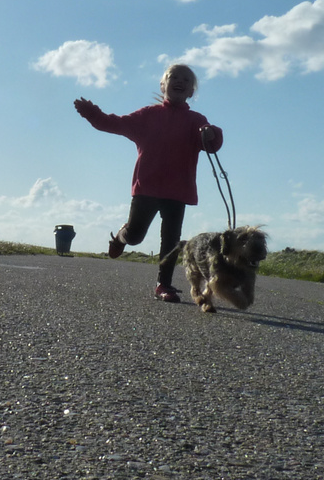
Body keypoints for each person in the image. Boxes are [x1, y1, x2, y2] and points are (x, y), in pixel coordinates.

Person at [73, 63, 223, 303]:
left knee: (172, 241)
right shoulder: (148, 116)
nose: (180, 81)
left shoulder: (197, 120)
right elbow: (115, 123)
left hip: (178, 191)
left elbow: (211, 145)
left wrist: (211, 131)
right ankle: (121, 237)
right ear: (163, 85)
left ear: (191, 92)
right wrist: (93, 114)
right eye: (174, 77)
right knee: (135, 236)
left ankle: (163, 285)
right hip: (147, 188)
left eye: (186, 79)